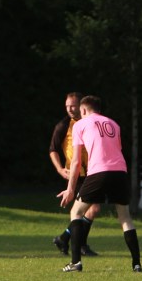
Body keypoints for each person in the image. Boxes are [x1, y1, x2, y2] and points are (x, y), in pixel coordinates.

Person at [56, 95, 142, 273]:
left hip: (98, 172)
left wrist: (70, 189)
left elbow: (76, 162)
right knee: (125, 218)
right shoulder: (114, 124)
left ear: (83, 110)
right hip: (120, 172)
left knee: (76, 212)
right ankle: (136, 264)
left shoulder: (80, 124)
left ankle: (75, 262)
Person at [50, 92, 97, 257]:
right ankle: (79, 244)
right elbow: (53, 150)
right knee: (90, 208)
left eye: (73, 106)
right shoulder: (64, 125)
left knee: (90, 209)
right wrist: (59, 169)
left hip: (92, 171)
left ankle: (65, 239)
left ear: (81, 106)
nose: (69, 109)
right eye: (67, 106)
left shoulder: (90, 123)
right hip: (75, 174)